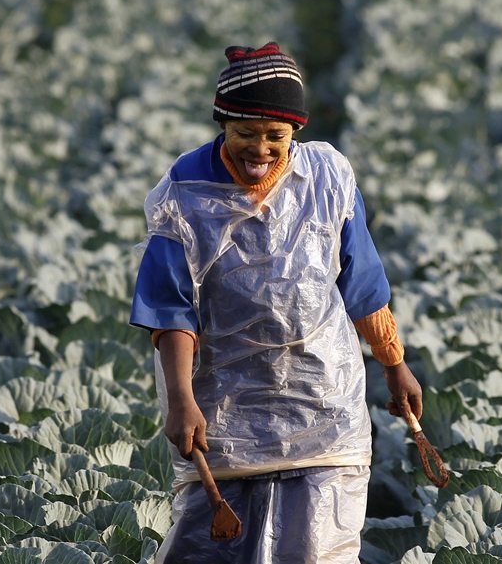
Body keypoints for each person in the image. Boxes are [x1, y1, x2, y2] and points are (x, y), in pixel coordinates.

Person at [130, 42, 423, 563]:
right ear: (223, 125)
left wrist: (394, 364)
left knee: (317, 550)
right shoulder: (186, 193)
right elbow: (172, 309)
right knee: (212, 550)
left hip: (322, 403)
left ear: (296, 134)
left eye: (276, 136)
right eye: (245, 133)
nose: (260, 148)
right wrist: (181, 399)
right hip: (223, 414)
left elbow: (362, 281)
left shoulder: (327, 180)